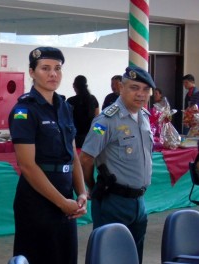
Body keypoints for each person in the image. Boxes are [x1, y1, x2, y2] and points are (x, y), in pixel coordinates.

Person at [8, 47, 88, 264]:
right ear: (32, 72)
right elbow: (27, 166)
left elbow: (73, 156)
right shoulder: (24, 111)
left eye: (57, 68)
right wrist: (62, 202)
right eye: (45, 68)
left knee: (65, 257)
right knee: (39, 258)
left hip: (66, 197)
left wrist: (81, 193)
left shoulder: (64, 107)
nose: (53, 74)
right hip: (37, 199)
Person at [79, 65, 156, 264]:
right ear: (121, 88)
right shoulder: (105, 121)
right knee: (109, 256)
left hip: (139, 202)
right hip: (113, 200)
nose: (141, 94)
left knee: (133, 257)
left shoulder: (144, 117)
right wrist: (91, 186)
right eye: (134, 87)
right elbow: (86, 158)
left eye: (145, 90)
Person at [67, 75, 100, 147]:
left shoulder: (70, 101)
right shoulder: (93, 99)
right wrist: (100, 137)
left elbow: (66, 122)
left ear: (74, 86)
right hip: (91, 138)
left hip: (75, 139)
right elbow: (98, 120)